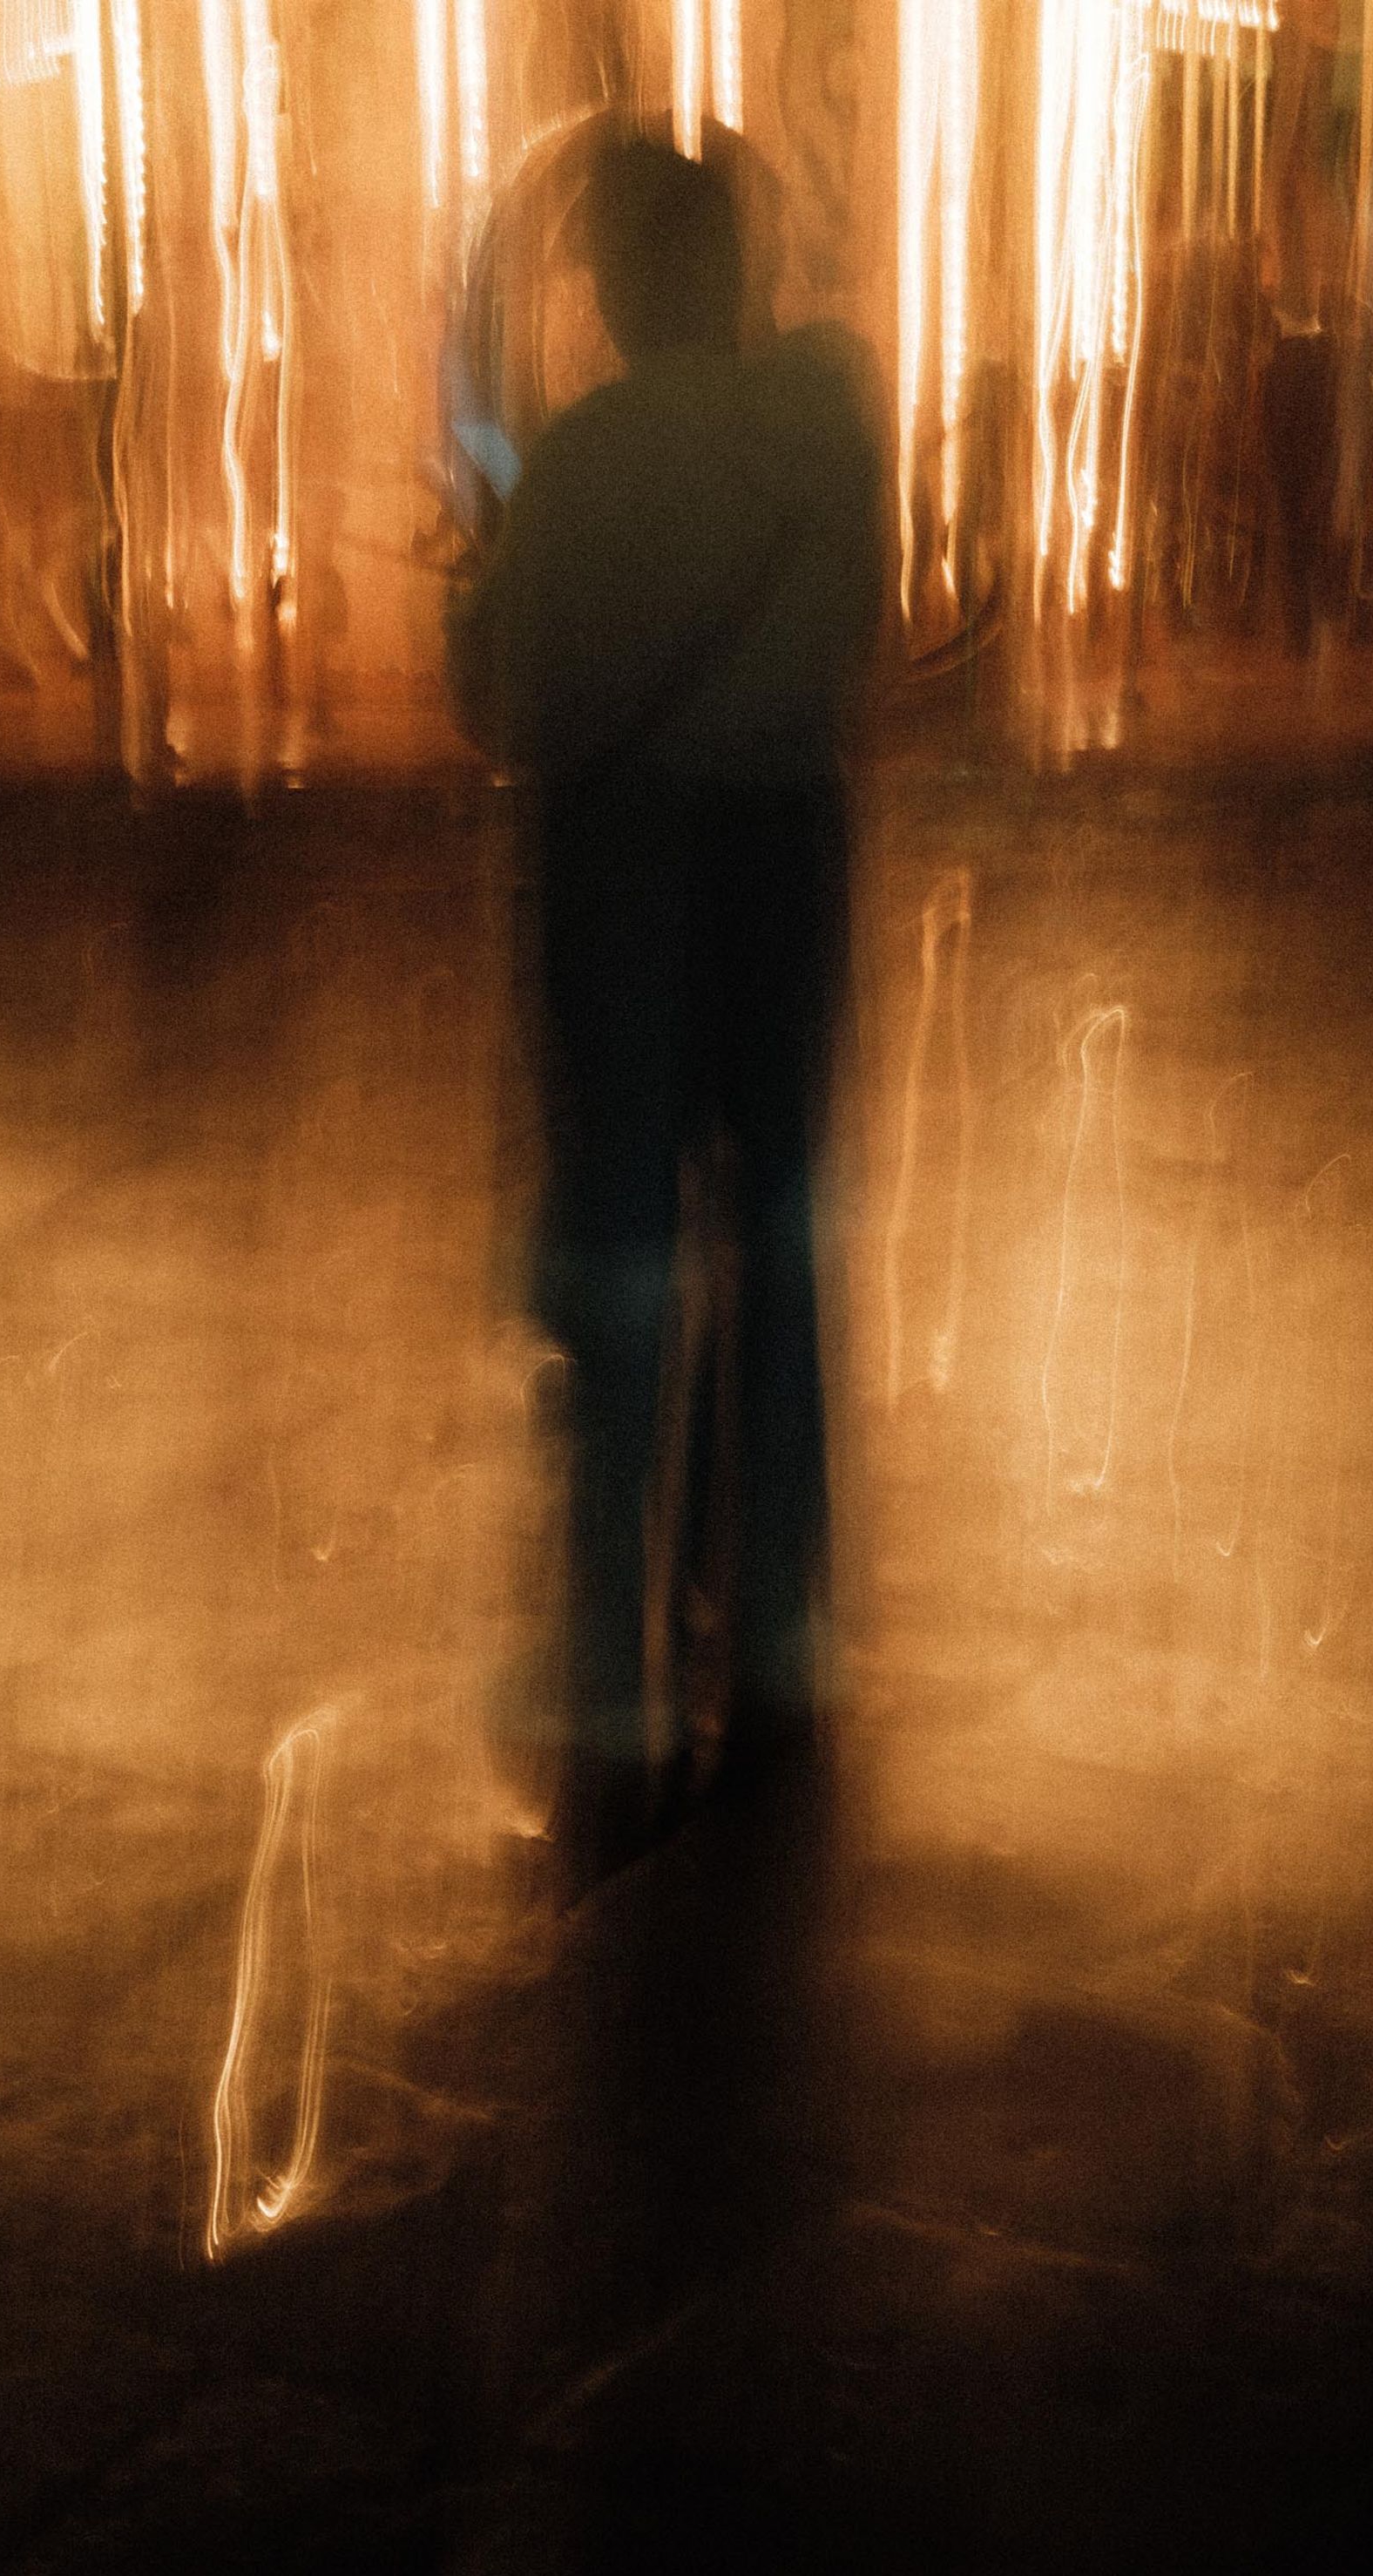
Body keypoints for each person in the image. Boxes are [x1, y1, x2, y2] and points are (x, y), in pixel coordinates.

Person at [448, 130, 886, 1892]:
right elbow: (865, 627)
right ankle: (774, 1637)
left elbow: (501, 691)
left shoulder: (585, 459)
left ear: (625, 287)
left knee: (623, 1260)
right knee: (778, 1238)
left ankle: (612, 1689)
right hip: (787, 849)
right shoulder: (828, 431)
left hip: (624, 872)